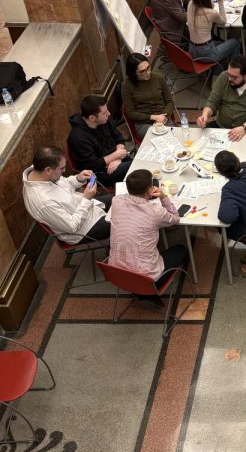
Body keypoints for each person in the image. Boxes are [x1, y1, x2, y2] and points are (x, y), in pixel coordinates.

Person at [107, 169, 186, 301]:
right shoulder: (155, 211)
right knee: (181, 249)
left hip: (118, 275)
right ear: (150, 189)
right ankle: (149, 294)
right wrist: (163, 196)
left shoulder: (116, 201)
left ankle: (140, 292)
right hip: (149, 280)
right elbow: (175, 218)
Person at [22, 145, 111, 242]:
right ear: (48, 170)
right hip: (84, 229)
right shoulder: (44, 202)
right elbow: (72, 226)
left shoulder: (39, 171)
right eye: (61, 168)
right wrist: (86, 199)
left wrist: (78, 178)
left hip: (85, 206)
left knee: (120, 197)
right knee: (122, 220)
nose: (64, 171)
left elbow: (64, 183)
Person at [197, 54, 246, 139]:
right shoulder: (223, 77)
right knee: (201, 142)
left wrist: (244, 128)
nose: (229, 79)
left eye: (234, 77)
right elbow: (212, 101)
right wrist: (205, 116)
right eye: (229, 74)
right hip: (221, 126)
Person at [67, 94, 131, 188]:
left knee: (140, 164)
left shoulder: (104, 119)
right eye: (104, 113)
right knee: (136, 168)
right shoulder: (78, 138)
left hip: (117, 160)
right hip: (100, 173)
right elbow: (92, 165)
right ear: (92, 118)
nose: (109, 114)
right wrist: (116, 155)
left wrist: (118, 158)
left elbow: (119, 138)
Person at [186, 0, 240, 69]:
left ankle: (218, 69)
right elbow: (223, 21)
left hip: (192, 49)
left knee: (223, 43)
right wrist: (220, 1)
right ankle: (233, 70)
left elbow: (205, 6)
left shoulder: (190, 4)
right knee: (235, 42)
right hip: (206, 53)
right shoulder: (211, 13)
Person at [122, 53, 175, 139]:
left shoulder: (159, 78)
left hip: (163, 118)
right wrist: (153, 117)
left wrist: (164, 116)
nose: (148, 72)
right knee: (159, 139)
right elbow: (131, 113)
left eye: (148, 68)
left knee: (171, 138)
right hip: (144, 123)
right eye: (142, 71)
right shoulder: (127, 86)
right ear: (133, 72)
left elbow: (169, 102)